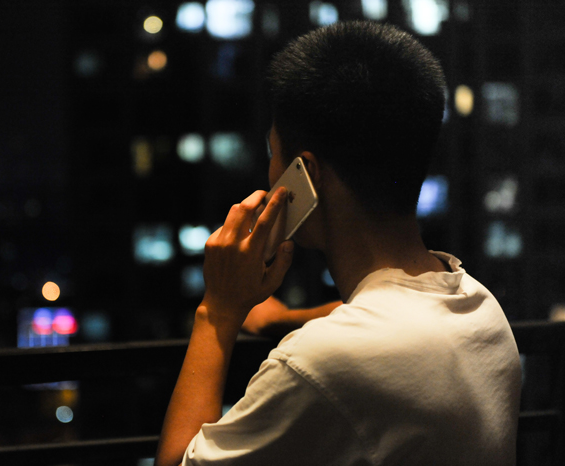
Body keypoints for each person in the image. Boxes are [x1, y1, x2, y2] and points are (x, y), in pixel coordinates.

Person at [155, 20, 522, 466]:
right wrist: (283, 319)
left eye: (273, 154)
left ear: (305, 175)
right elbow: (392, 320)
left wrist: (218, 311)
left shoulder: (317, 364)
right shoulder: (480, 307)